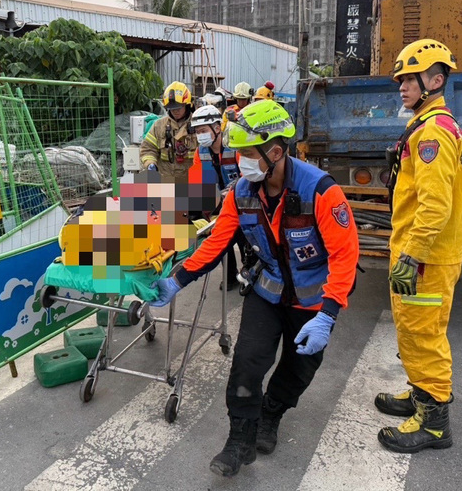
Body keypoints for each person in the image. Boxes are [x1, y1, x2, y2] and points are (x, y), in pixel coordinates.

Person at [151, 100, 359, 477]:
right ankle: (239, 441)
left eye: (248, 153)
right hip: (267, 290)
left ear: (275, 152)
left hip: (313, 301)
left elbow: (345, 254)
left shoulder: (320, 191)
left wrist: (329, 314)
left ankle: (272, 411)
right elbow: (217, 243)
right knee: (247, 363)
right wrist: (177, 280)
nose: (241, 160)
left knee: (299, 368)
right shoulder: (241, 192)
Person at [376, 39, 462, 453]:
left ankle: (433, 424)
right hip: (422, 253)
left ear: (435, 80)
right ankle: (419, 393)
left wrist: (411, 257)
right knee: (413, 328)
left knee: (423, 332)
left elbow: (435, 206)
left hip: (425, 257)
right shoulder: (429, 124)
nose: (402, 87)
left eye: (410, 79)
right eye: (400, 80)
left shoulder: (433, 132)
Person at [190, 104, 242, 286]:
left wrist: (232, 191)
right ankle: (230, 276)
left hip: (241, 198)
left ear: (217, 128)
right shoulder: (200, 152)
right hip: (218, 202)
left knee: (245, 238)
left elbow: (246, 174)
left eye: (203, 130)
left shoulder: (235, 146)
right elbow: (197, 179)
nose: (200, 135)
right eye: (197, 132)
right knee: (220, 236)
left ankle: (250, 273)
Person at [140, 81, 197, 182]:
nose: (175, 111)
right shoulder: (159, 126)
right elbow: (148, 149)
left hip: (192, 181)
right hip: (166, 181)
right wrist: (150, 163)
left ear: (187, 105)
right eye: (172, 108)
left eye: (179, 107)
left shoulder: (198, 125)